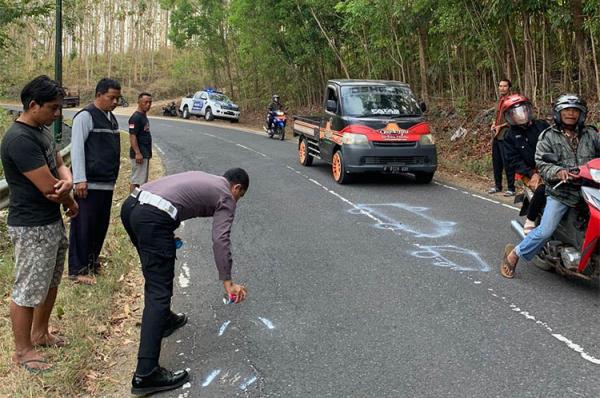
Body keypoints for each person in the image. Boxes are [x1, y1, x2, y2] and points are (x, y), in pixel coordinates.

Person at [120, 168, 249, 395]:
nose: (236, 201)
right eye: (240, 196)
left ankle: (165, 321)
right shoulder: (227, 196)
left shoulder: (207, 178)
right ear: (237, 188)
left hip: (132, 206)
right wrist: (227, 281)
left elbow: (171, 195)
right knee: (158, 291)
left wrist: (164, 234)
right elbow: (221, 239)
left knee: (155, 276)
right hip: (153, 219)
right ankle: (145, 373)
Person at [0, 75, 79, 373]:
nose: (58, 113)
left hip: (50, 222)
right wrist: (70, 200)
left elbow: (59, 164)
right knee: (27, 288)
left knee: (50, 281)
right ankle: (23, 351)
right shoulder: (19, 139)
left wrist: (68, 182)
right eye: (53, 107)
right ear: (33, 105)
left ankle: (41, 333)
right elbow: (49, 188)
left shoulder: (42, 130)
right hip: (32, 225)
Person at [500, 94, 600, 278]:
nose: (571, 114)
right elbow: (542, 162)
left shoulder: (591, 134)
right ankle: (514, 254)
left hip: (590, 188)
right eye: (566, 110)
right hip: (562, 191)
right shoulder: (548, 136)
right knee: (546, 230)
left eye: (575, 110)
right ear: (558, 113)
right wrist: (557, 171)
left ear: (582, 114)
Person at [68, 78, 122, 284]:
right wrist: (79, 179)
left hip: (106, 183)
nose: (115, 102)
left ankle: (91, 263)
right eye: (111, 97)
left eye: (118, 98)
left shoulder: (111, 118)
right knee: (83, 226)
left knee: (100, 226)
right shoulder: (85, 117)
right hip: (88, 185)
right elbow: (77, 149)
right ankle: (77, 270)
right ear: (99, 95)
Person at [502, 94, 550, 234]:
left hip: (550, 166)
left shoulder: (542, 125)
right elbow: (513, 160)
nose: (520, 115)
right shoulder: (509, 136)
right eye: (515, 113)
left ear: (529, 110)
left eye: (523, 110)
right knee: (542, 188)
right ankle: (530, 219)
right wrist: (531, 173)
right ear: (509, 116)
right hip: (529, 171)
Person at [488, 79, 516, 197]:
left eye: (505, 86)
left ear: (509, 87)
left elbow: (514, 118)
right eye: (500, 86)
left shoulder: (512, 101)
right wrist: (494, 124)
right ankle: (497, 186)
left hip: (506, 135)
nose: (502, 88)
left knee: (507, 162)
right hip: (497, 135)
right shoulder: (499, 100)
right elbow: (497, 116)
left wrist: (501, 126)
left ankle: (511, 188)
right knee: (496, 161)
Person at [128, 92, 153, 192]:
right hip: (139, 155)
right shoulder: (135, 118)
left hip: (145, 153)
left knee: (142, 180)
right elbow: (132, 135)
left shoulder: (143, 116)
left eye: (150, 102)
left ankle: (137, 202)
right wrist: (137, 153)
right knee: (136, 181)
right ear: (139, 102)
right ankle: (132, 203)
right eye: (145, 102)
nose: (148, 105)